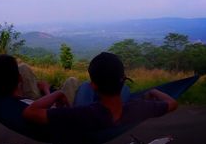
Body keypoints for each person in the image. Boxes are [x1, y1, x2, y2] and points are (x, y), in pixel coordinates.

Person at [22, 52, 178, 131]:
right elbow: (172, 103)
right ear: (123, 79)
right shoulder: (139, 108)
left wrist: (56, 93)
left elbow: (30, 113)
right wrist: (154, 91)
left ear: (94, 86)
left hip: (89, 120)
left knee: (76, 83)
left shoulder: (82, 114)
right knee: (80, 84)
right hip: (117, 109)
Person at [0, 54, 80, 103]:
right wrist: (47, 91)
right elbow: (50, 113)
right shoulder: (28, 107)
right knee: (72, 81)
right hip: (53, 113)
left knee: (23, 67)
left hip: (29, 98)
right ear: (20, 78)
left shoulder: (2, 98)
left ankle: (35, 95)